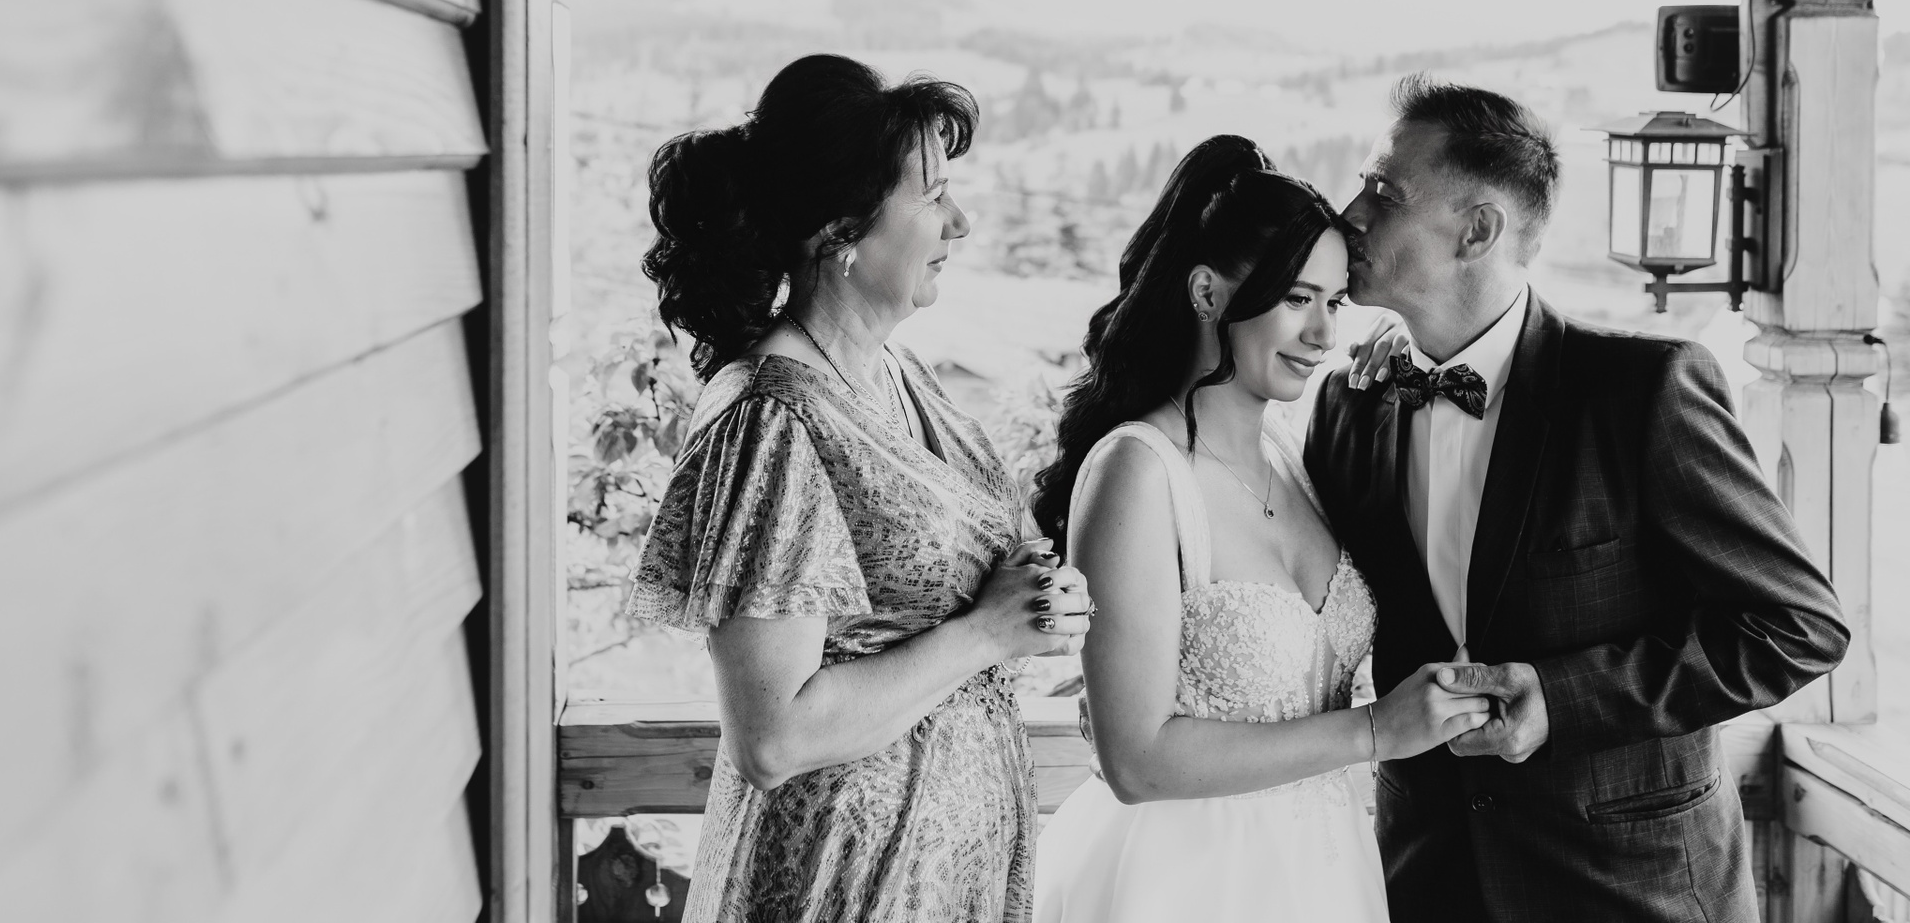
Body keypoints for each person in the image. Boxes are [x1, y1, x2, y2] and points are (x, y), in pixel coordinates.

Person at [1307, 75, 1851, 922]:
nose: (1350, 215)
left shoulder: (1640, 393)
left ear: (1478, 229)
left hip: (1633, 890)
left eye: (1384, 192)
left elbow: (1796, 626)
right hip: (1425, 880)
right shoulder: (1350, 405)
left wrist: (1563, 701)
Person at [630, 55, 1093, 923]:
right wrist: (988, 632)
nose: (961, 221)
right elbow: (774, 737)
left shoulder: (899, 373)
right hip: (842, 882)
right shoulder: (773, 420)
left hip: (945, 870)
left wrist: (1038, 596)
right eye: (934, 196)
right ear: (839, 230)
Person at [1031, 136, 1492, 923]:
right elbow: (1134, 759)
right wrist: (1375, 730)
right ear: (1206, 292)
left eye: (1334, 303)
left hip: (1324, 873)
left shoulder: (1294, 454)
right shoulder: (1138, 471)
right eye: (1296, 298)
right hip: (1183, 882)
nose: (1322, 334)